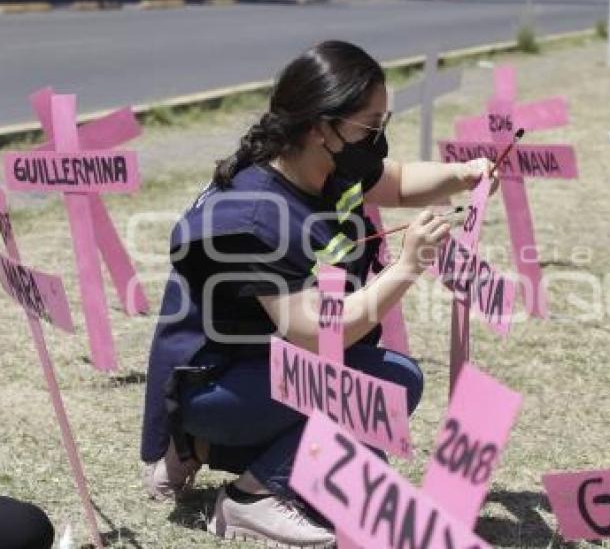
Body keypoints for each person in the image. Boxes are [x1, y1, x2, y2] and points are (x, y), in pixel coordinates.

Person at [140, 40, 496, 547]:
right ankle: (252, 497)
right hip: (214, 382)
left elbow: (393, 182)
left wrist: (463, 174)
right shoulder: (252, 218)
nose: (377, 136)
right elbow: (314, 334)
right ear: (319, 127)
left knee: (363, 423)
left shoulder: (320, 164)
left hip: (254, 367)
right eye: (370, 124)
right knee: (390, 388)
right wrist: (407, 267)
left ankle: (194, 447)